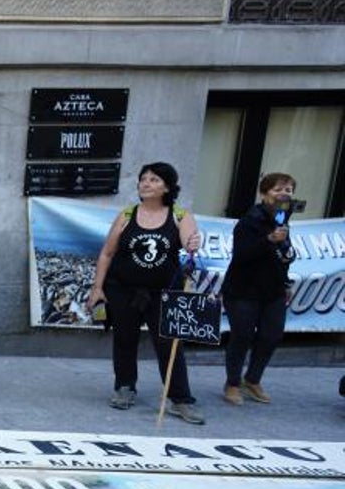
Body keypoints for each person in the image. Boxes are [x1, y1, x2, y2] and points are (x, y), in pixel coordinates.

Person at [86, 162, 205, 424]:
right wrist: (97, 288)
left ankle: (180, 399)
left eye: (154, 180)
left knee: (169, 344)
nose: (146, 184)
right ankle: (125, 387)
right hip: (122, 288)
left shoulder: (180, 215)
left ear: (168, 187)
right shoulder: (127, 214)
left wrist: (195, 242)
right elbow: (107, 253)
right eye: (143, 179)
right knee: (125, 339)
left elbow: (189, 243)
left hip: (162, 292)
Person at [220, 172, 297, 405]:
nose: (284, 193)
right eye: (278, 189)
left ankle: (252, 379)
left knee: (271, 336)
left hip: (273, 290)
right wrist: (269, 241)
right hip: (243, 290)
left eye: (289, 190)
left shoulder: (283, 219)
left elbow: (283, 256)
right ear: (264, 193)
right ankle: (232, 383)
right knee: (242, 336)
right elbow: (242, 256)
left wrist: (285, 281)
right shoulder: (250, 221)